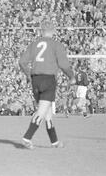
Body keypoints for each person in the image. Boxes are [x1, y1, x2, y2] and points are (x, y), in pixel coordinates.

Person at [19, 20, 75, 149]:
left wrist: (28, 75)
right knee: (41, 111)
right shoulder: (56, 45)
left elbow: (22, 62)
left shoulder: (34, 44)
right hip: (48, 80)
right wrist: (71, 76)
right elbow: (64, 64)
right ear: (54, 31)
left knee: (47, 113)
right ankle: (27, 138)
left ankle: (54, 142)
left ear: (41, 30)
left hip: (36, 79)